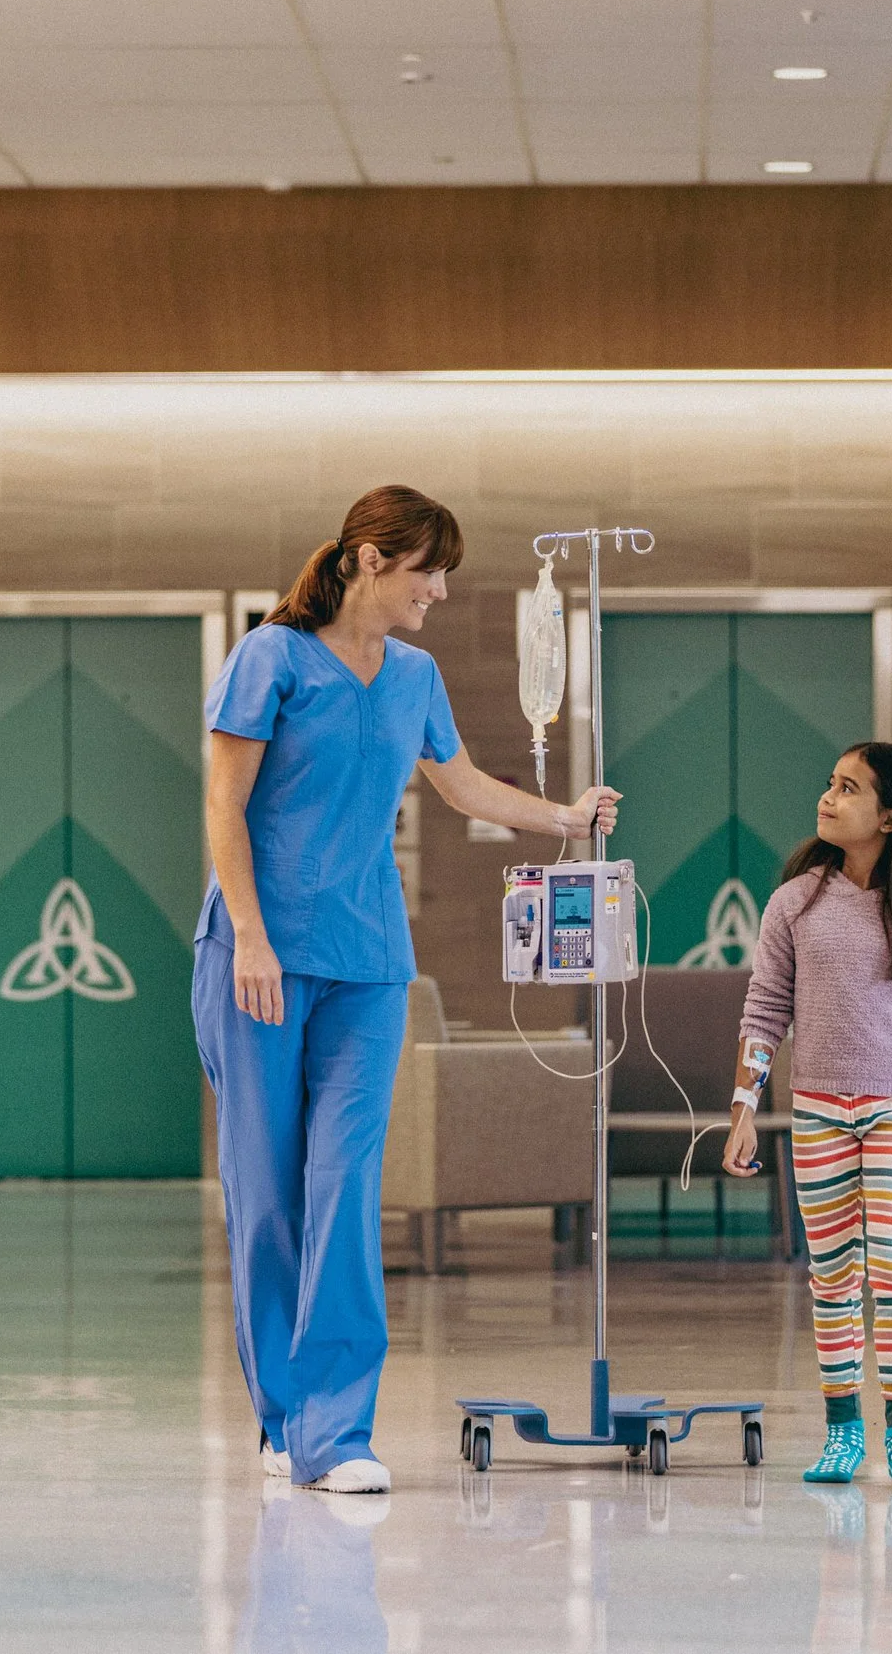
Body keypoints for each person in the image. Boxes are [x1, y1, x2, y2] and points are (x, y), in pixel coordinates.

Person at [196, 485, 619, 1493]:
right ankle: (282, 1416)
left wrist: (564, 818)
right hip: (258, 957)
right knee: (268, 1196)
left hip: (370, 963)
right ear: (371, 560)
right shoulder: (271, 659)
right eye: (429, 570)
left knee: (344, 1190)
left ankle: (336, 1435)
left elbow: (462, 784)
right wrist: (250, 938)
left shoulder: (415, 675)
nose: (440, 590)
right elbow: (223, 804)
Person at [721, 741, 892, 1489]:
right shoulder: (795, 902)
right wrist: (742, 1107)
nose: (828, 797)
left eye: (849, 788)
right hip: (817, 1113)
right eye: (830, 782)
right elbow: (764, 1011)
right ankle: (840, 1431)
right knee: (832, 1275)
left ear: (891, 817)